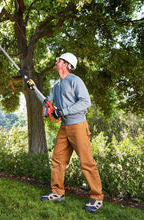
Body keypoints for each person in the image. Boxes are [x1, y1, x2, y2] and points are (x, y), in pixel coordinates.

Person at [40, 52, 104, 212]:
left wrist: (63, 111)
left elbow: (85, 102)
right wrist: (45, 105)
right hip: (64, 127)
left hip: (78, 126)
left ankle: (97, 197)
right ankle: (57, 192)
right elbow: (48, 102)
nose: (56, 61)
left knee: (87, 162)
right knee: (58, 160)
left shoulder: (75, 81)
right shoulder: (57, 85)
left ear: (66, 64)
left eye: (59, 60)